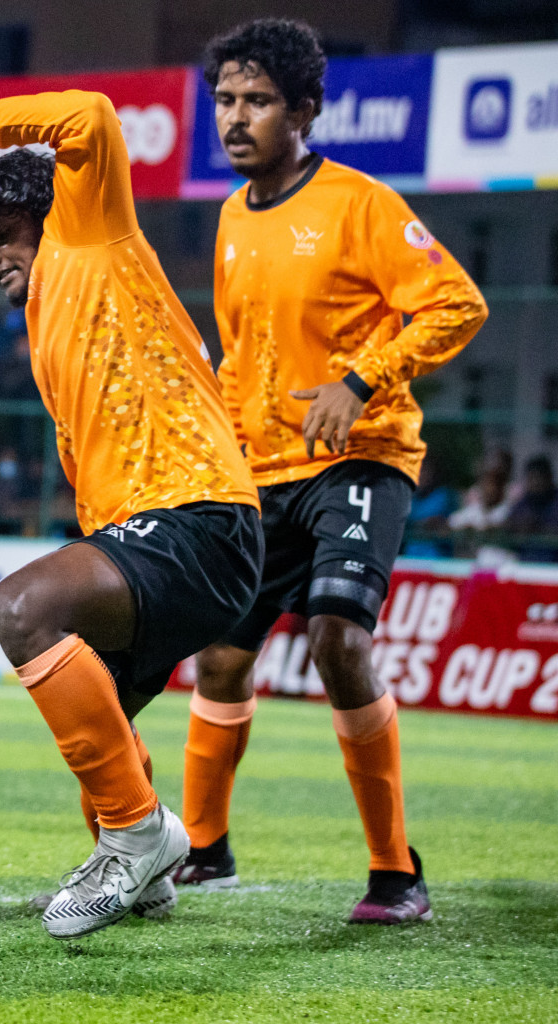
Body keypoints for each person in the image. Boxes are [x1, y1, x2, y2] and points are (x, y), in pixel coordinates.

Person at [0, 92, 263, 939]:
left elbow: (91, 116)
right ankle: (143, 864)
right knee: (93, 717)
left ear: (47, 211)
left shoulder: (87, 231)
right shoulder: (51, 319)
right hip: (158, 528)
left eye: (1, 236)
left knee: (19, 607)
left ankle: (140, 837)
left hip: (195, 512)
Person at [176, 19, 488, 925]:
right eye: (227, 101)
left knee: (338, 639)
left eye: (259, 102)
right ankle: (205, 852)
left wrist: (361, 380)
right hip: (262, 470)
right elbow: (242, 356)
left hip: (363, 456)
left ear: (304, 110)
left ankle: (397, 872)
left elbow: (456, 304)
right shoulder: (233, 214)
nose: (237, 120)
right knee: (221, 660)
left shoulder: (362, 205)